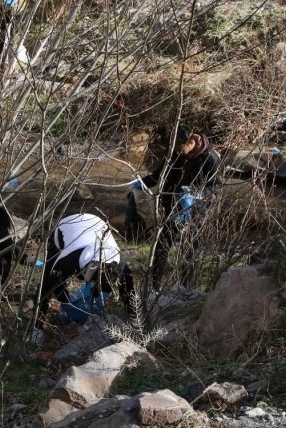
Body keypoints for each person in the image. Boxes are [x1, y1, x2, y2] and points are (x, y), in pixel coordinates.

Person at [137, 125, 221, 290]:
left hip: (195, 209)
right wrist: (139, 184)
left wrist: (198, 195)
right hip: (171, 206)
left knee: (191, 248)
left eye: (179, 147)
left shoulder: (211, 158)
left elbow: (216, 187)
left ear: (191, 142)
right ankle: (154, 286)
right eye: (174, 147)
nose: (176, 151)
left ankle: (186, 287)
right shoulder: (175, 154)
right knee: (162, 245)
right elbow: (158, 176)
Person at [37, 213, 137, 321]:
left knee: (125, 284)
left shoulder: (120, 264)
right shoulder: (68, 260)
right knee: (52, 278)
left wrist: (133, 317)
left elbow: (129, 291)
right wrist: (38, 323)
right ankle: (64, 302)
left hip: (96, 223)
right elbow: (45, 286)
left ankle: (67, 302)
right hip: (66, 226)